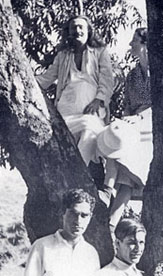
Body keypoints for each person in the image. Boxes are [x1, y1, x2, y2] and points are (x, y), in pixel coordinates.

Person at [36, 15, 114, 166]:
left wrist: (99, 99)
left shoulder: (99, 51)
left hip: (91, 110)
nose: (77, 30)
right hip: (66, 110)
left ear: (89, 31)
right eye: (73, 28)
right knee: (64, 143)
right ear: (69, 32)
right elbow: (46, 79)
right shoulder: (63, 55)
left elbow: (107, 79)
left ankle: (79, 173)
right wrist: (24, 77)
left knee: (90, 130)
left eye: (81, 27)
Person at [97, 28, 152, 231]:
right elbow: (128, 104)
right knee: (115, 133)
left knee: (123, 147)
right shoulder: (132, 75)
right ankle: (110, 220)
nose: (131, 45)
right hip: (135, 123)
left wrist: (140, 117)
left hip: (152, 123)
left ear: (145, 44)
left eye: (134, 41)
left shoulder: (161, 73)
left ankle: (107, 189)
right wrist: (127, 119)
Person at [24, 189, 99, 276]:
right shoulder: (41, 247)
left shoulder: (90, 253)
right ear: (62, 213)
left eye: (84, 215)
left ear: (90, 218)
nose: (78, 221)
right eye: (73, 214)